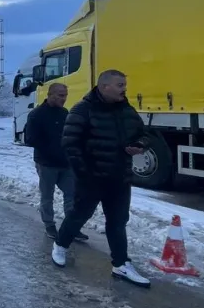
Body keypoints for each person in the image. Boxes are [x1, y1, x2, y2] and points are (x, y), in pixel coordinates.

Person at [51, 70, 152, 288]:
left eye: (125, 84)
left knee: (117, 222)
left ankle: (121, 264)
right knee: (79, 215)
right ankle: (60, 245)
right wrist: (84, 174)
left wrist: (140, 145)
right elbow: (70, 144)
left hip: (119, 179)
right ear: (104, 86)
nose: (124, 88)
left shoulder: (126, 110)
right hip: (91, 178)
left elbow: (144, 134)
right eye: (119, 84)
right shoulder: (83, 110)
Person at [24, 83, 87, 242]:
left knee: (72, 195)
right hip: (46, 164)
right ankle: (49, 225)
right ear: (50, 94)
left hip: (66, 164)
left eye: (65, 95)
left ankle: (71, 227)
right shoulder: (37, 114)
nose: (63, 98)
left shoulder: (65, 113)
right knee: (47, 196)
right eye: (60, 95)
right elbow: (29, 139)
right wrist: (50, 147)